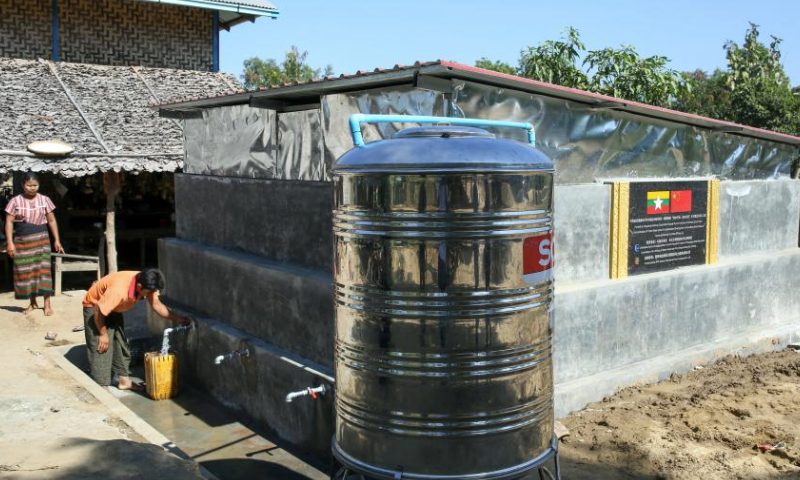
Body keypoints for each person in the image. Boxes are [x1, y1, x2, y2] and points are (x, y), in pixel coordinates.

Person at [82, 268, 191, 390]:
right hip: (95, 307)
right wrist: (102, 334)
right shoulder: (119, 290)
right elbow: (98, 311)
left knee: (120, 342)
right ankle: (102, 386)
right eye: (150, 291)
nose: (152, 293)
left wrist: (177, 319)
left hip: (114, 307)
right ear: (139, 286)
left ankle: (124, 381)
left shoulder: (147, 283)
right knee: (101, 346)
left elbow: (156, 305)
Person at [4, 172, 65, 315]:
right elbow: (9, 222)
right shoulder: (15, 201)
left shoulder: (45, 200)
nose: (32, 188)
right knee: (27, 272)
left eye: (35, 185)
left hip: (41, 239)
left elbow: (51, 221)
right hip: (22, 240)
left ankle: (47, 304)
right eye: (29, 185)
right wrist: (10, 243)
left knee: (43, 271)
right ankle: (32, 303)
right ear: (22, 185)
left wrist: (56, 240)